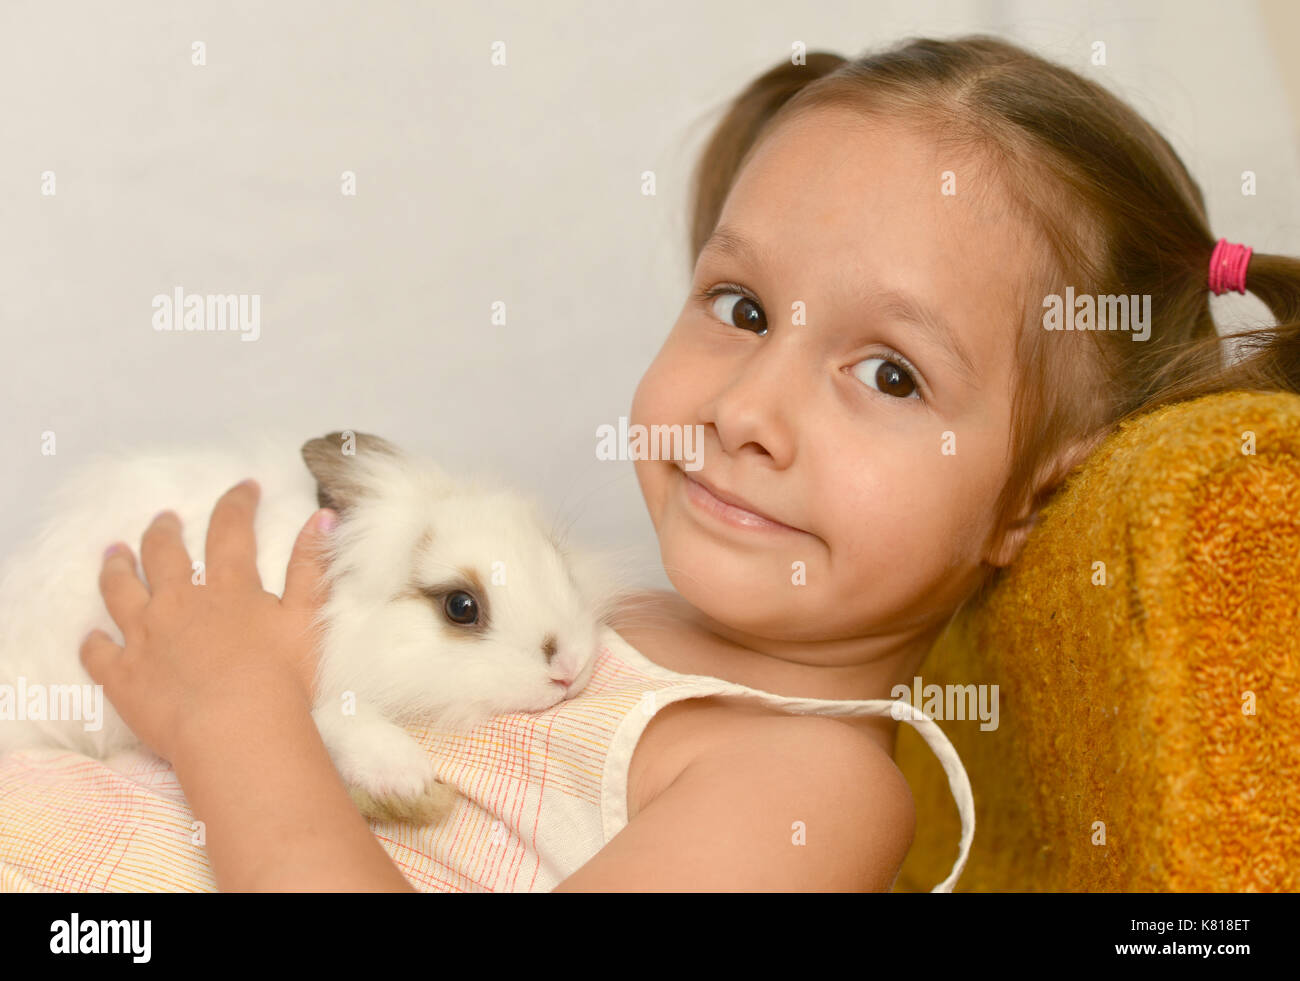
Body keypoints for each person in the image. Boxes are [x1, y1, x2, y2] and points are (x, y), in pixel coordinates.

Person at [78, 35, 1300, 891]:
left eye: (890, 374)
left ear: (1032, 493)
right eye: (742, 305)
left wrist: (234, 718)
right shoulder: (604, 621)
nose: (747, 408)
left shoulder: (811, 790)